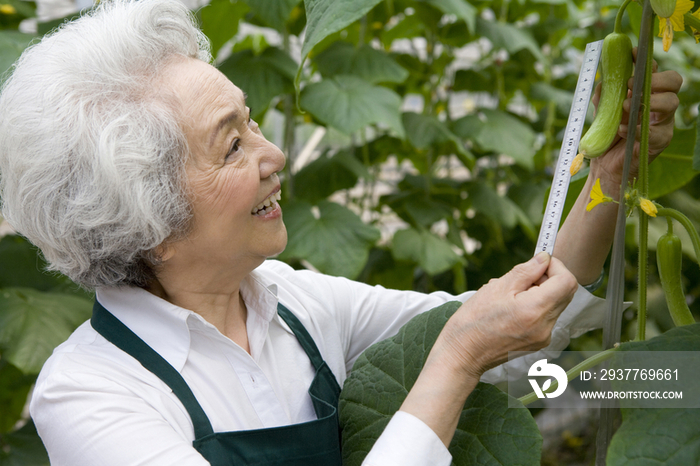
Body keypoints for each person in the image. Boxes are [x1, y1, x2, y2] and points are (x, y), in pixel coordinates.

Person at [0, 0, 682, 464]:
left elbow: (512, 327)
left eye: (253, 121)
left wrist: (607, 181)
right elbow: (468, 345)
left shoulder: (293, 305)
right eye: (232, 146)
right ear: (150, 225)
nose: (276, 157)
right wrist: (452, 364)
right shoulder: (91, 391)